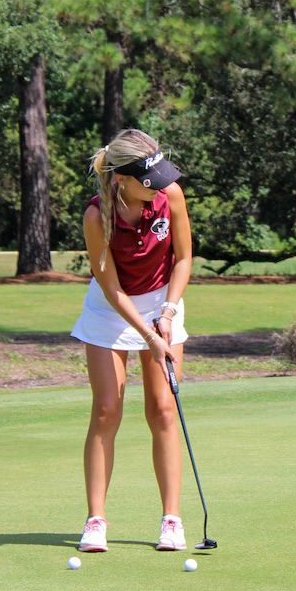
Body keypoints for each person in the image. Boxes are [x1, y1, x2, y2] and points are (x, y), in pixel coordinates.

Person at [69, 129, 193, 553]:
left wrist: (168, 314)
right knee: (106, 410)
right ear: (122, 178)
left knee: (163, 408)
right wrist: (147, 335)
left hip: (163, 302)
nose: (160, 184)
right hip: (112, 310)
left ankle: (172, 520)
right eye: (150, 179)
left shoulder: (170, 195)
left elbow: (184, 259)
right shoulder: (96, 214)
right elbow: (111, 288)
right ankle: (95, 520)